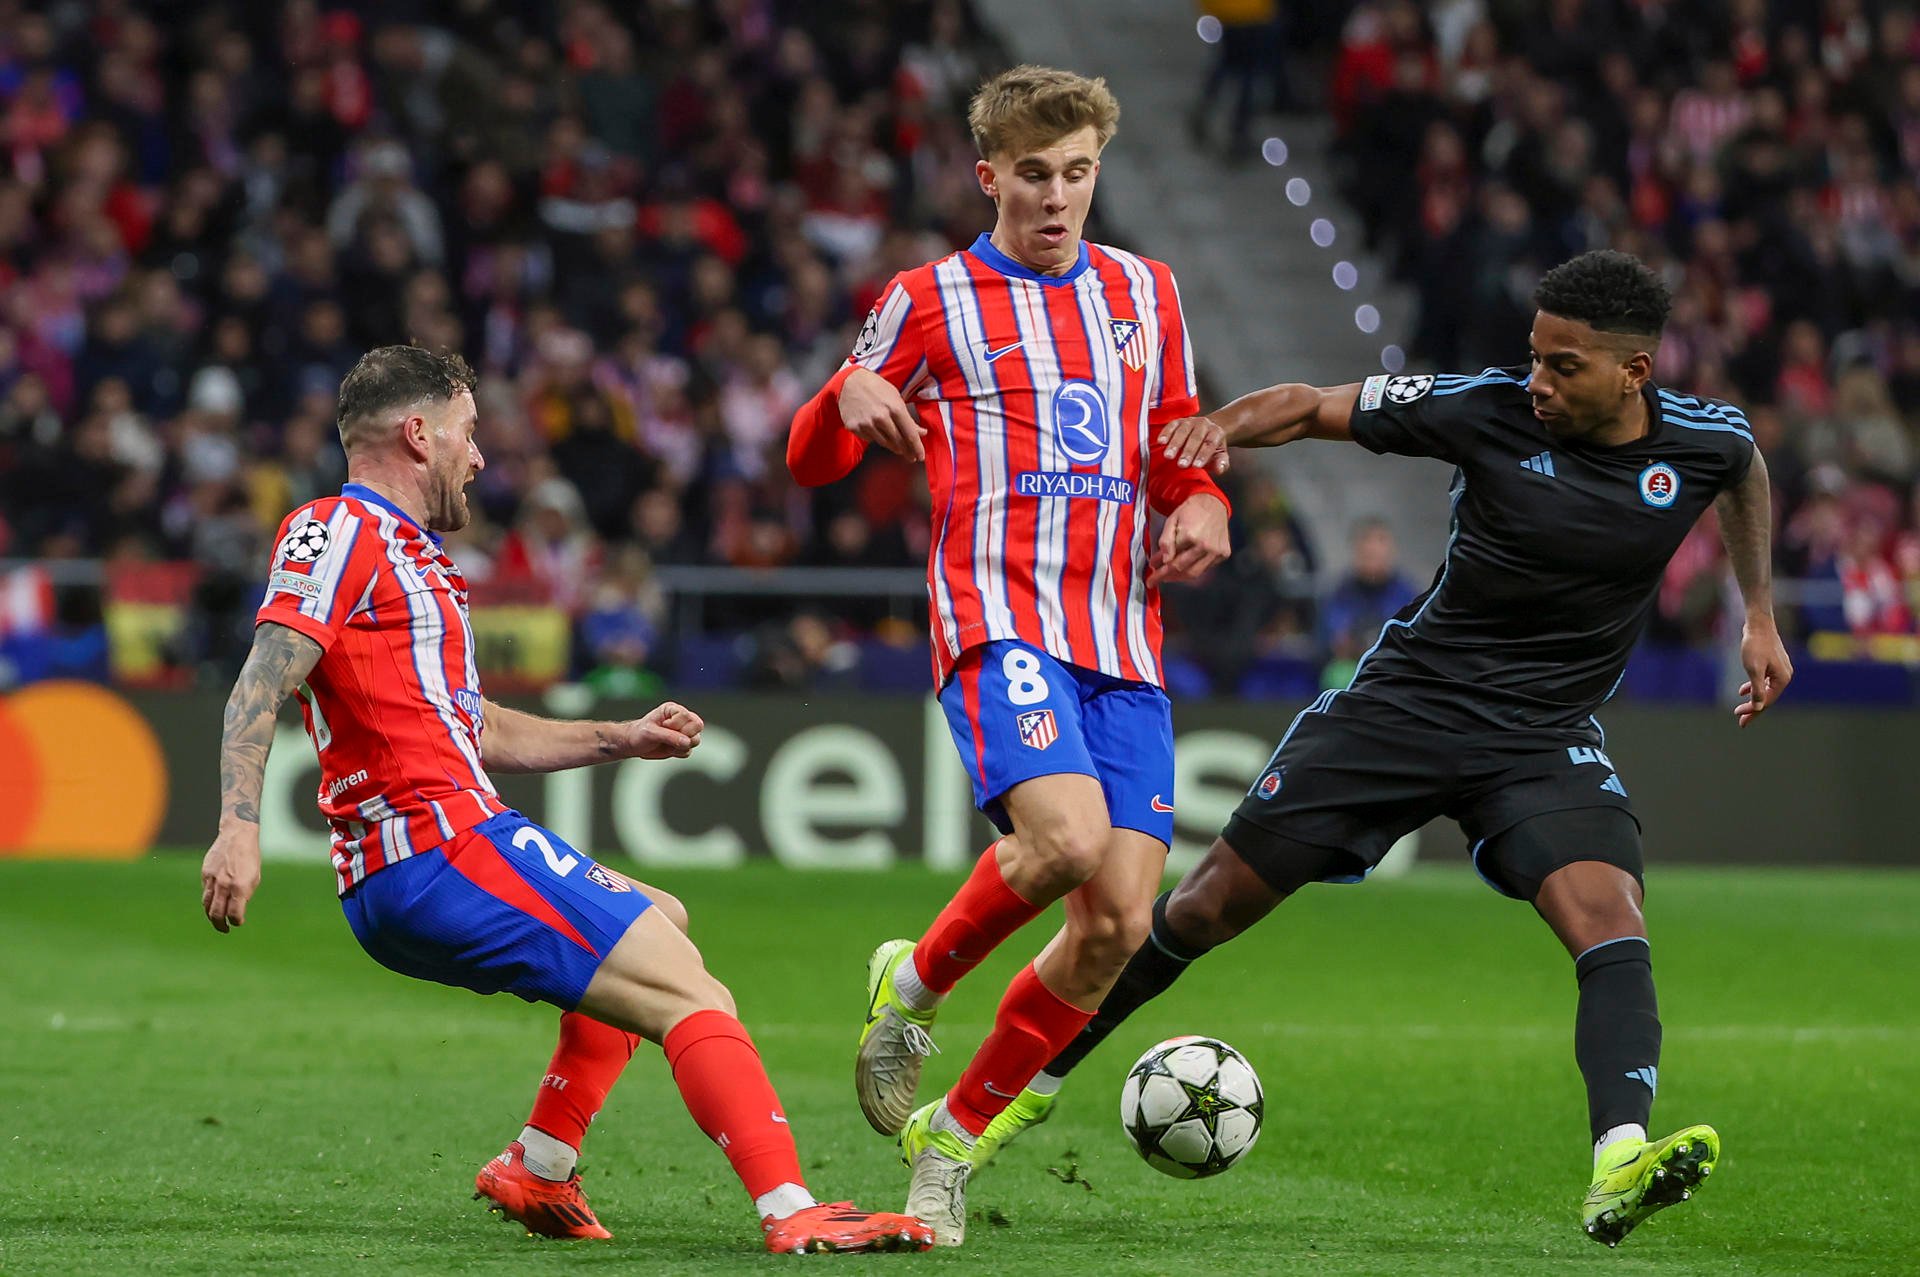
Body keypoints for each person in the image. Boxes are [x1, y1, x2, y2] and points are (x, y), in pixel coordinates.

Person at [978, 250, 1795, 1248]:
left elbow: (1745, 469)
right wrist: (1212, 433)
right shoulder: (1483, 408)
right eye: (1534, 355)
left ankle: (1618, 1158)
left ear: (1635, 372)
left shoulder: (1701, 440)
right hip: (1400, 711)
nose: (1536, 380)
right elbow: (1312, 404)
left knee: (1613, 924)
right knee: (1196, 910)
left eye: (1564, 366)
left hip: (1541, 738)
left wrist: (1759, 610)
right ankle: (1016, 1093)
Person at [199, 345, 932, 1257]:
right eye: (468, 435)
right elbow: (260, 681)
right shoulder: (337, 529)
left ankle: (540, 1164)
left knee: (662, 914)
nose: (478, 458)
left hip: (431, 854)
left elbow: (482, 730)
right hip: (436, 852)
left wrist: (620, 736)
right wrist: (237, 825)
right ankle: (793, 1209)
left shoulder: (411, 559)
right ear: (418, 435)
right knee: (690, 990)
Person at [786, 66, 1232, 1246]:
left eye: (1077, 172)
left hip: (1121, 638)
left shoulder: (1149, 290)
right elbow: (808, 459)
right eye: (1033, 174)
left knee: (1118, 925)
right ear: (989, 177)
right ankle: (918, 987)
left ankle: (950, 1139)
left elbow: (1178, 444)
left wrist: (1204, 507)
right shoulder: (929, 296)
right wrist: (851, 390)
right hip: (998, 613)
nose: (1057, 195)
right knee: (1067, 839)